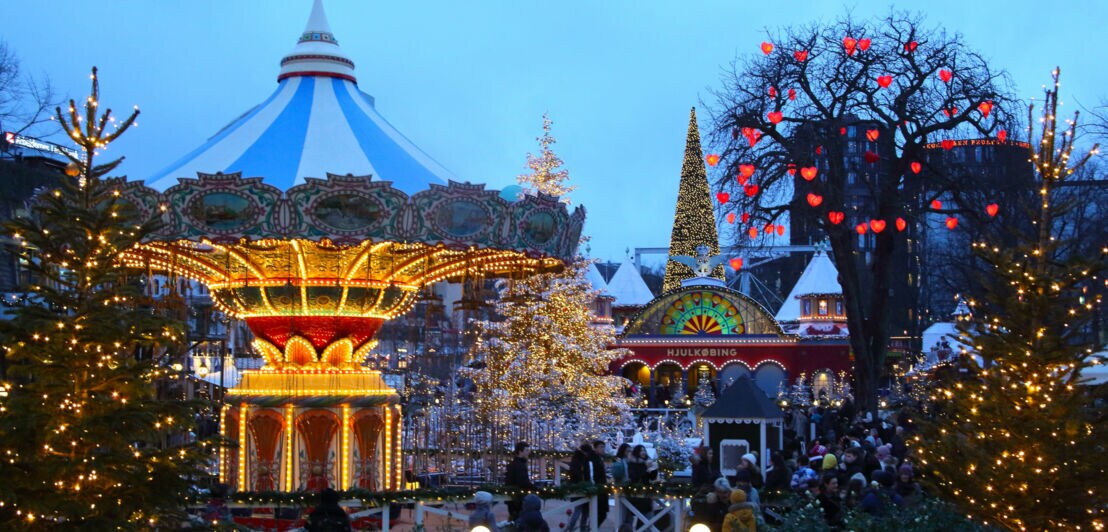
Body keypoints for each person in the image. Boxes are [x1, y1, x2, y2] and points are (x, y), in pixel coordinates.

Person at [505, 441, 535, 522]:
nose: (529, 452)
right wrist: (535, 488)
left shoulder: (513, 464)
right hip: (519, 499)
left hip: (513, 499)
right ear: (520, 451)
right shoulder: (520, 465)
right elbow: (523, 482)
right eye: (527, 450)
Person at [589, 440, 610, 528]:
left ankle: (592, 528)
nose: (603, 449)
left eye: (603, 447)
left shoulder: (600, 458)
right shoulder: (592, 459)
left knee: (602, 514)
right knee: (598, 513)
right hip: (597, 488)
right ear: (595, 448)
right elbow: (591, 473)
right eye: (601, 447)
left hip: (601, 488)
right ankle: (591, 528)